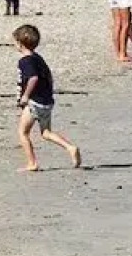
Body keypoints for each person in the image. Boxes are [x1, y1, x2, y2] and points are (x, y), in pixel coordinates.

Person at [13, 24, 81, 172]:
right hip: (46, 102)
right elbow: (48, 77)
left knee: (23, 132)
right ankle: (70, 147)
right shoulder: (38, 58)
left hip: (34, 102)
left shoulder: (25, 61)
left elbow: (33, 78)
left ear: (20, 43)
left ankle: (32, 163)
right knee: (46, 132)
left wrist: (25, 96)